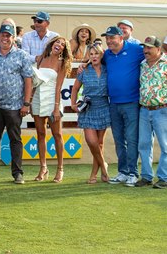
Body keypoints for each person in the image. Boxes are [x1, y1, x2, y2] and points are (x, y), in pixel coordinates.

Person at [99, 26, 144, 187]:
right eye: (107, 38)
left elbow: (156, 54)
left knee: (132, 139)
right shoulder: (107, 55)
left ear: (121, 37)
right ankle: (123, 172)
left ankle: (133, 173)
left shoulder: (136, 49)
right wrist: (84, 64)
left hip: (132, 102)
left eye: (112, 38)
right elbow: (96, 61)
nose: (109, 41)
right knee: (119, 140)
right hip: (114, 103)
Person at [0, 21, 32, 182]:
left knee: (15, 139)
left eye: (8, 36)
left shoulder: (21, 55)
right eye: (2, 35)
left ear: (13, 38)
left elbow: (28, 80)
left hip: (15, 106)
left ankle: (17, 173)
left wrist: (26, 103)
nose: (5, 38)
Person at [32, 36, 73, 183]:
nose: (59, 45)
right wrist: (29, 101)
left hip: (52, 101)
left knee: (57, 134)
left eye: (62, 45)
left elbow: (58, 88)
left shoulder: (62, 63)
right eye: (58, 42)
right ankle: (43, 167)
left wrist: (56, 109)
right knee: (40, 133)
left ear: (64, 49)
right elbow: (34, 81)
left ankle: (60, 168)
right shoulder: (41, 59)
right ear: (52, 43)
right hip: (37, 98)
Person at [70, 44, 110, 184]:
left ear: (101, 55)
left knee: (99, 143)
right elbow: (75, 88)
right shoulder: (84, 70)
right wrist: (73, 104)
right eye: (91, 54)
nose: (93, 56)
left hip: (104, 107)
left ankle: (94, 174)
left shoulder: (107, 69)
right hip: (88, 108)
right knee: (91, 142)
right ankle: (104, 167)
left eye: (96, 54)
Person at [136, 36, 167, 188]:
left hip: (162, 109)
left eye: (149, 48)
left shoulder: (166, 64)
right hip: (144, 110)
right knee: (144, 144)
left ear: (158, 49)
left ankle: (164, 177)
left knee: (165, 145)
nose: (145, 50)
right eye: (144, 47)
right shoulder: (142, 64)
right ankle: (147, 177)